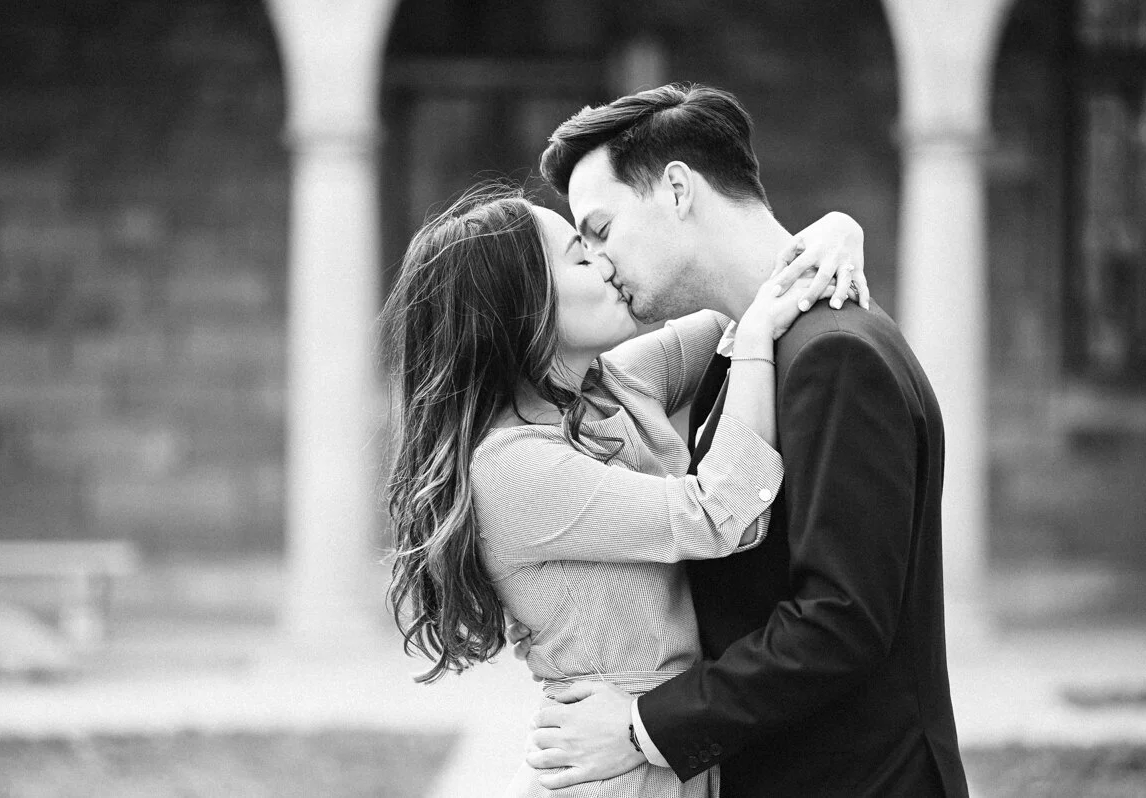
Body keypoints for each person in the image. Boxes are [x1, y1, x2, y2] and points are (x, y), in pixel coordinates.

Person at [514, 83, 970, 797]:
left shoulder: (833, 354)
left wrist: (640, 728)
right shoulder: (744, 347)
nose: (598, 263)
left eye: (600, 229)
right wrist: (834, 226)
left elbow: (840, 623)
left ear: (677, 190)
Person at [382, 180, 869, 796]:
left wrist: (837, 230)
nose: (606, 262)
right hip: (605, 773)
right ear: (523, 308)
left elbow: (744, 290)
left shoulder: (612, 386)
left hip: (663, 753)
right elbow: (723, 514)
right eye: (580, 257)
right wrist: (751, 344)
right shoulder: (512, 468)